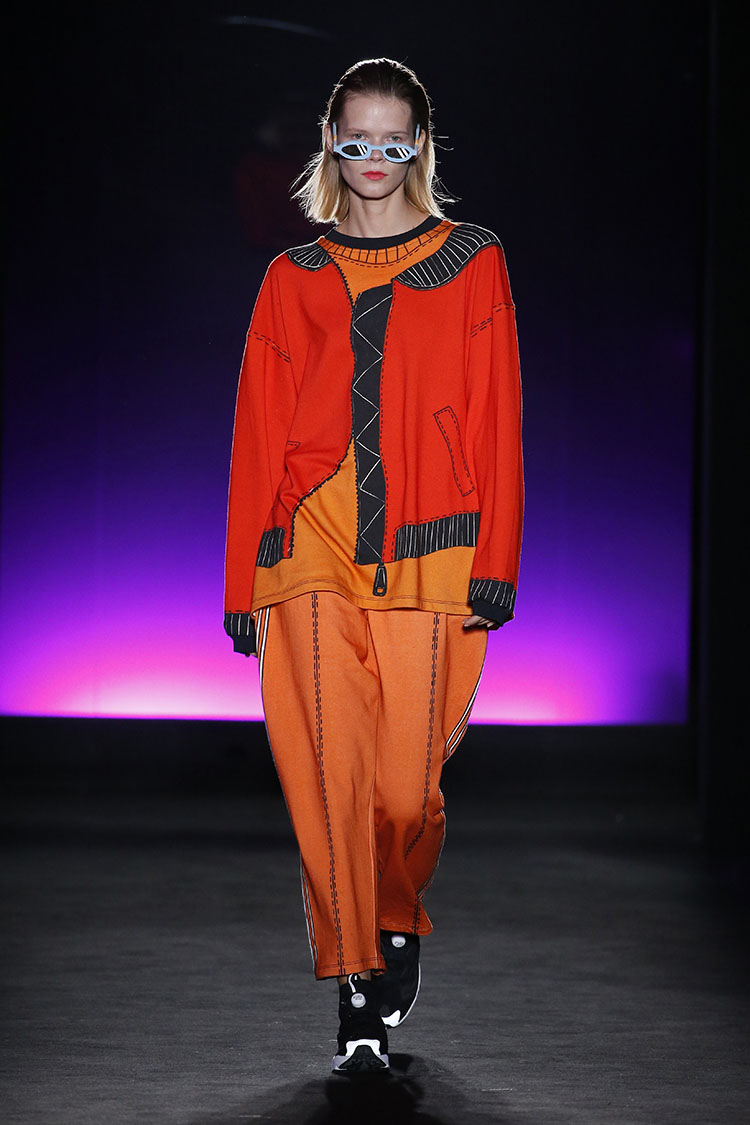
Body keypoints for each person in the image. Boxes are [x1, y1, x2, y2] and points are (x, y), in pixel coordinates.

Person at [224, 57, 524, 1074]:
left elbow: (498, 411)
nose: (374, 159)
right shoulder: (292, 278)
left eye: (394, 142)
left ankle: (396, 915)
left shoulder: (472, 260)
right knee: (329, 777)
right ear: (330, 143)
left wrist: (499, 556)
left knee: (403, 793)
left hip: (435, 549)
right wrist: (242, 579)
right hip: (306, 544)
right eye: (356, 140)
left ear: (419, 147)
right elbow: (257, 430)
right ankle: (356, 987)